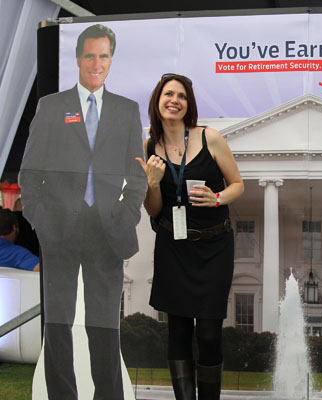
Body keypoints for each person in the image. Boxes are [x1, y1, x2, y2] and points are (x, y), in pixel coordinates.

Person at [19, 24, 146, 399]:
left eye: (103, 56)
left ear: (110, 60)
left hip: (108, 231)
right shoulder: (52, 106)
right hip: (59, 229)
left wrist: (126, 214)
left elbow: (137, 177)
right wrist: (42, 220)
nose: (96, 63)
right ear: (78, 59)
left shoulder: (127, 110)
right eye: (89, 55)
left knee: (104, 324)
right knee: (58, 322)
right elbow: (30, 173)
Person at [136, 73, 244, 400]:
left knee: (209, 334)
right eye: (168, 94)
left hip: (214, 246)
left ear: (188, 104)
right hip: (173, 247)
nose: (174, 100)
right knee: (178, 333)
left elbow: (238, 184)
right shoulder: (149, 146)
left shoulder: (210, 137)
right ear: (157, 101)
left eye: (181, 96)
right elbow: (154, 210)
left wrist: (217, 198)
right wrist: (152, 184)